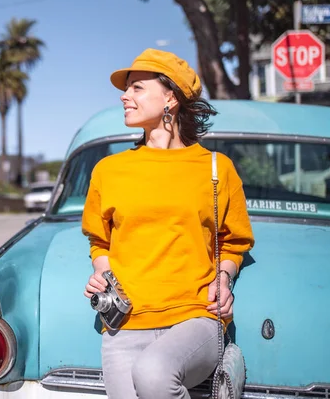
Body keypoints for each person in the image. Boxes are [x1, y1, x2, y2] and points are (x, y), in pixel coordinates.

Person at [81, 48, 255, 399]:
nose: (124, 95)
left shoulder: (216, 168)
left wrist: (224, 278)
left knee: (153, 371)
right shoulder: (109, 170)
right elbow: (100, 241)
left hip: (195, 318)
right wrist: (102, 273)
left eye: (136, 88)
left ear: (170, 98)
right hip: (124, 323)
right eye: (127, 89)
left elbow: (234, 240)